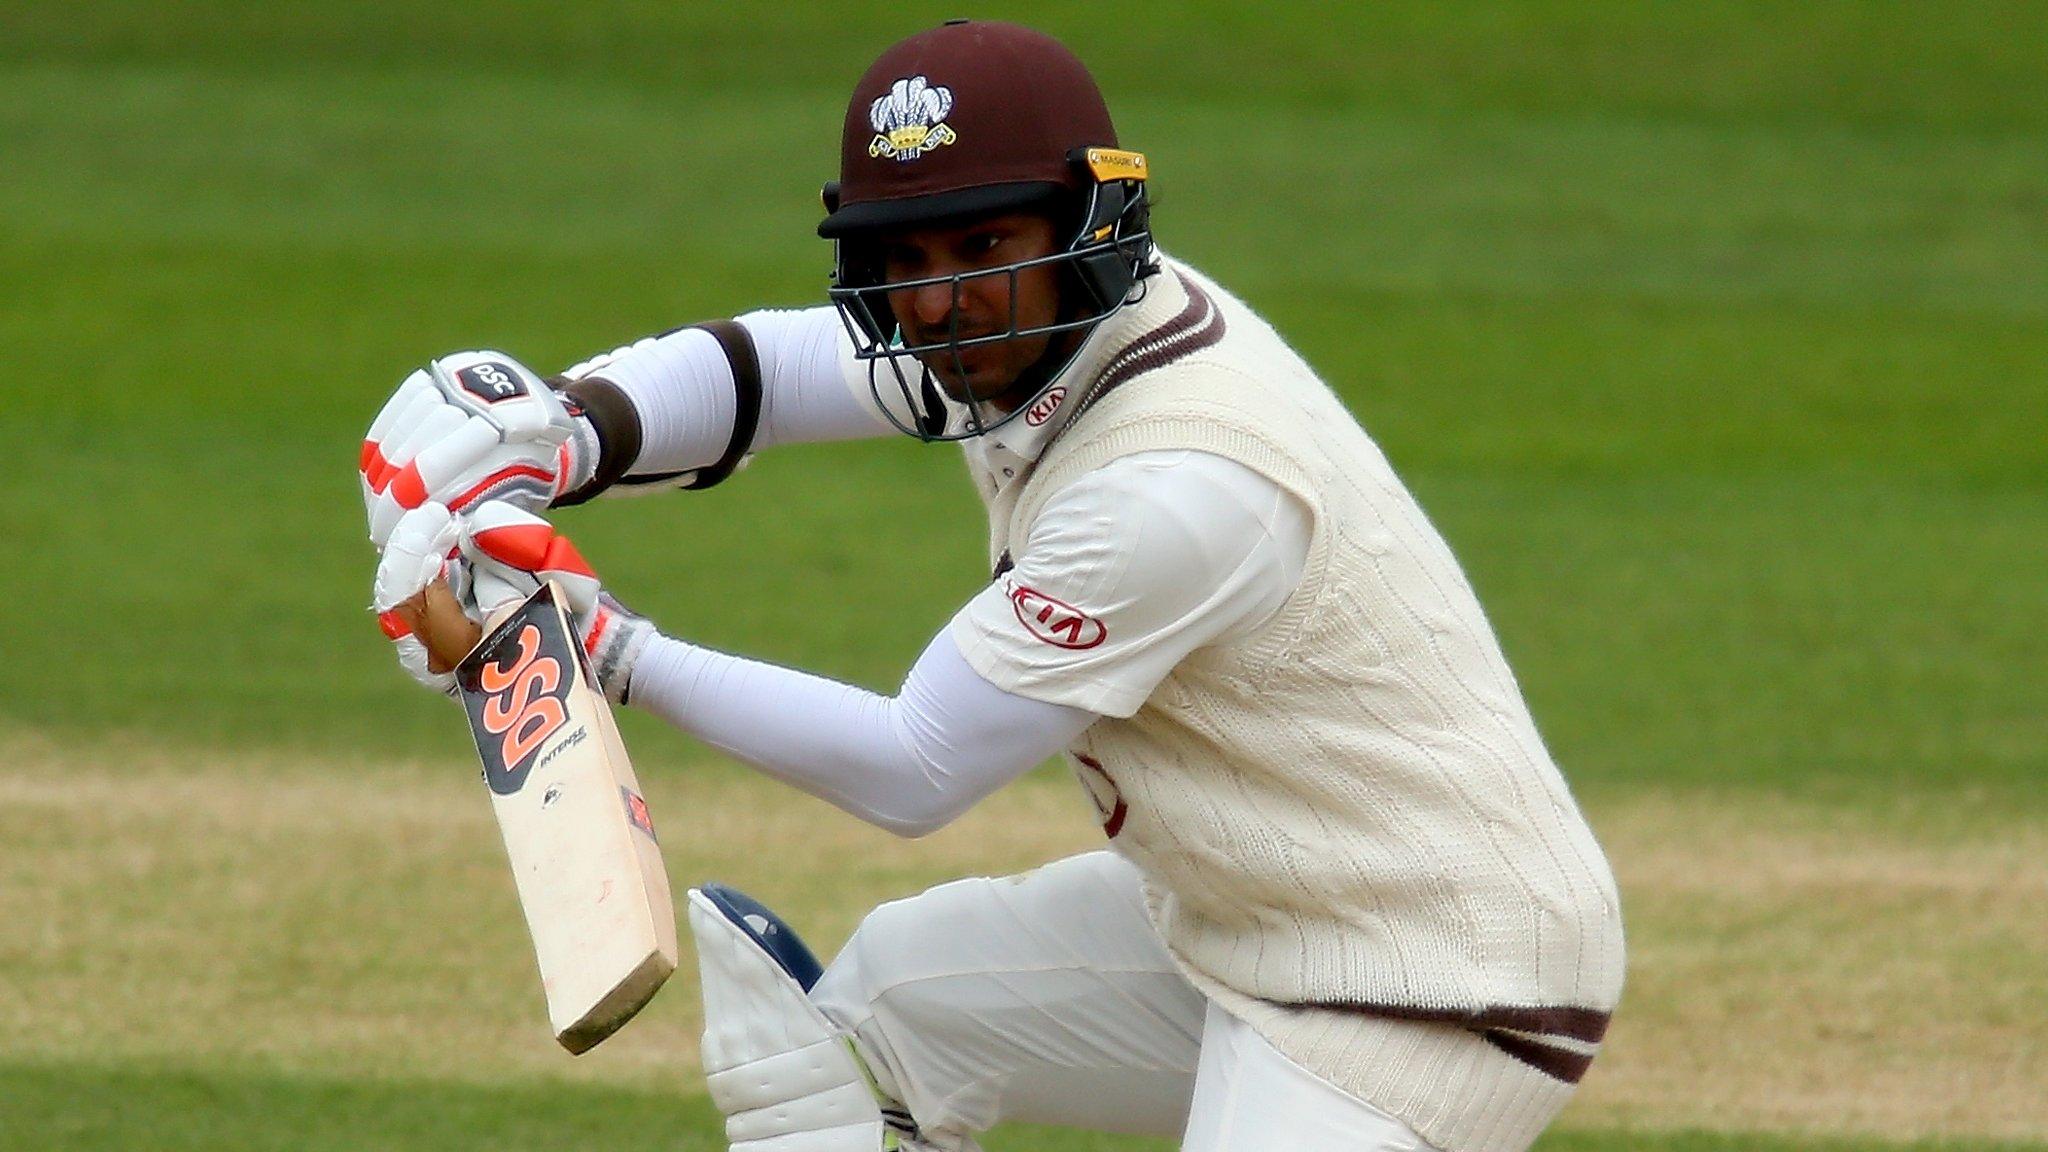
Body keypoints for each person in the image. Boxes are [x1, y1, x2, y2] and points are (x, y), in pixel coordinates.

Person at [362, 20, 1623, 1152]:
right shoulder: (1016, 335)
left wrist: (608, 650)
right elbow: (768, 371)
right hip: (1242, 917)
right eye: (903, 256)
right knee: (864, 1037)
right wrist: (562, 432)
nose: (941, 299)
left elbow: (915, 768)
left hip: (1431, 986)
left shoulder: (1175, 482)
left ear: (1086, 228)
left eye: (981, 243)